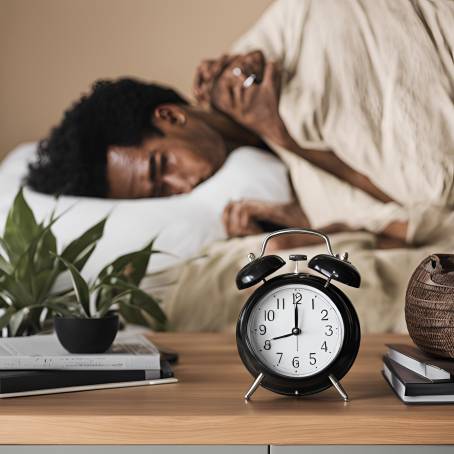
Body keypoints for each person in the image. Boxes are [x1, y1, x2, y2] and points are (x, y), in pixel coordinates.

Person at [193, 0, 454, 248]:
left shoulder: (262, 61)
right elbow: (420, 217)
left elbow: (432, 190)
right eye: (165, 193)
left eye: (162, 166)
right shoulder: (301, 186)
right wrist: (284, 139)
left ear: (171, 116)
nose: (185, 182)